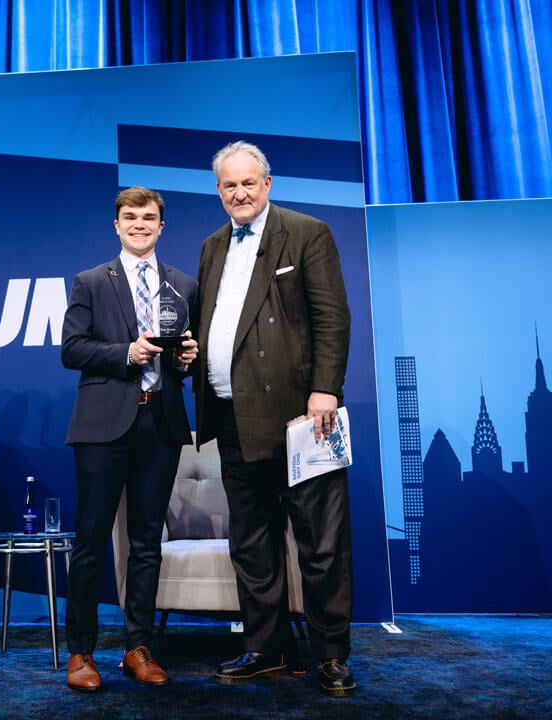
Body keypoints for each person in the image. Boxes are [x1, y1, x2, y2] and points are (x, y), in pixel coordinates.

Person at [194, 141, 356, 697]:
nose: (238, 193)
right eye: (228, 185)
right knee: (253, 545)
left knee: (321, 543)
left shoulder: (307, 232)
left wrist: (324, 390)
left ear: (267, 184)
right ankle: (266, 649)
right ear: (219, 191)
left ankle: (331, 656)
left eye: (248, 183)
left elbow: (332, 318)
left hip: (300, 421)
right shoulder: (212, 245)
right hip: (231, 418)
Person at [61, 186, 199, 692]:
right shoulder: (92, 281)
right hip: (102, 427)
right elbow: (72, 350)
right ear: (116, 225)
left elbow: (192, 353)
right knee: (91, 542)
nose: (139, 224)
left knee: (146, 545)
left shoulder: (184, 283)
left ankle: (138, 647)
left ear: (161, 227)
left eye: (149, 217)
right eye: (130, 217)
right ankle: (80, 652)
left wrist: (189, 359)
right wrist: (127, 353)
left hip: (159, 424)